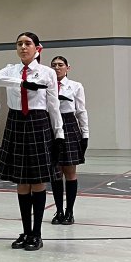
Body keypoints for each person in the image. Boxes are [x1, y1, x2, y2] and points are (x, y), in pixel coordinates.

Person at [0, 32, 64, 252]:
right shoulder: (11, 69)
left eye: (27, 43)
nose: (23, 47)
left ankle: (36, 233)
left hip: (38, 121)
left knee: (38, 180)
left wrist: (58, 134)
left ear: (37, 47)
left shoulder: (47, 73)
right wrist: (21, 82)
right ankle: (25, 230)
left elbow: (53, 105)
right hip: (15, 121)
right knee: (22, 181)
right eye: (19, 44)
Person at [50, 56, 89, 225]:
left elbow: (81, 111)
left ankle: (70, 211)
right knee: (55, 172)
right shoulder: (46, 86)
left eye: (60, 65)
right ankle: (58, 211)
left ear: (67, 67)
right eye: (54, 65)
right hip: (51, 125)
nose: (57, 68)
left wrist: (85, 134)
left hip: (69, 125)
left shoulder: (76, 86)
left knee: (70, 171)